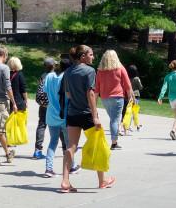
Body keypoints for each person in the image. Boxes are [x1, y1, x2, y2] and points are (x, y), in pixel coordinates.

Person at [60, 45, 115, 193]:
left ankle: (65, 181)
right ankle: (102, 181)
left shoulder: (68, 72)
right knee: (99, 145)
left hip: (72, 113)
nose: (93, 57)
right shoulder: (89, 71)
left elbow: (68, 94)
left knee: (71, 146)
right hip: (87, 114)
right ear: (83, 56)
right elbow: (91, 94)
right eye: (91, 54)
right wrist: (95, 116)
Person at [42, 57, 80, 177]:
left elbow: (44, 91)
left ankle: (49, 168)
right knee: (69, 143)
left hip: (51, 114)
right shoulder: (67, 78)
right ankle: (72, 166)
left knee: (53, 142)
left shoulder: (49, 76)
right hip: (64, 115)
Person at [95, 49, 133, 150]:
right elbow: (128, 84)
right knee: (115, 120)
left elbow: (96, 87)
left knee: (113, 119)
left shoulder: (100, 70)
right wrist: (130, 97)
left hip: (104, 98)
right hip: (117, 97)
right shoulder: (120, 68)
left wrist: (94, 102)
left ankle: (114, 141)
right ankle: (114, 143)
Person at [33, 58, 55, 159]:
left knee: (41, 125)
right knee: (59, 126)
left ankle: (37, 150)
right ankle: (65, 148)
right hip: (53, 105)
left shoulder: (43, 76)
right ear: (54, 66)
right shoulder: (55, 76)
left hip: (43, 105)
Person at [123, 65, 143, 133]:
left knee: (128, 110)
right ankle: (135, 126)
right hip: (136, 95)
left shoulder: (127, 78)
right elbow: (140, 87)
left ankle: (130, 125)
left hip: (128, 95)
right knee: (134, 111)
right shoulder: (136, 78)